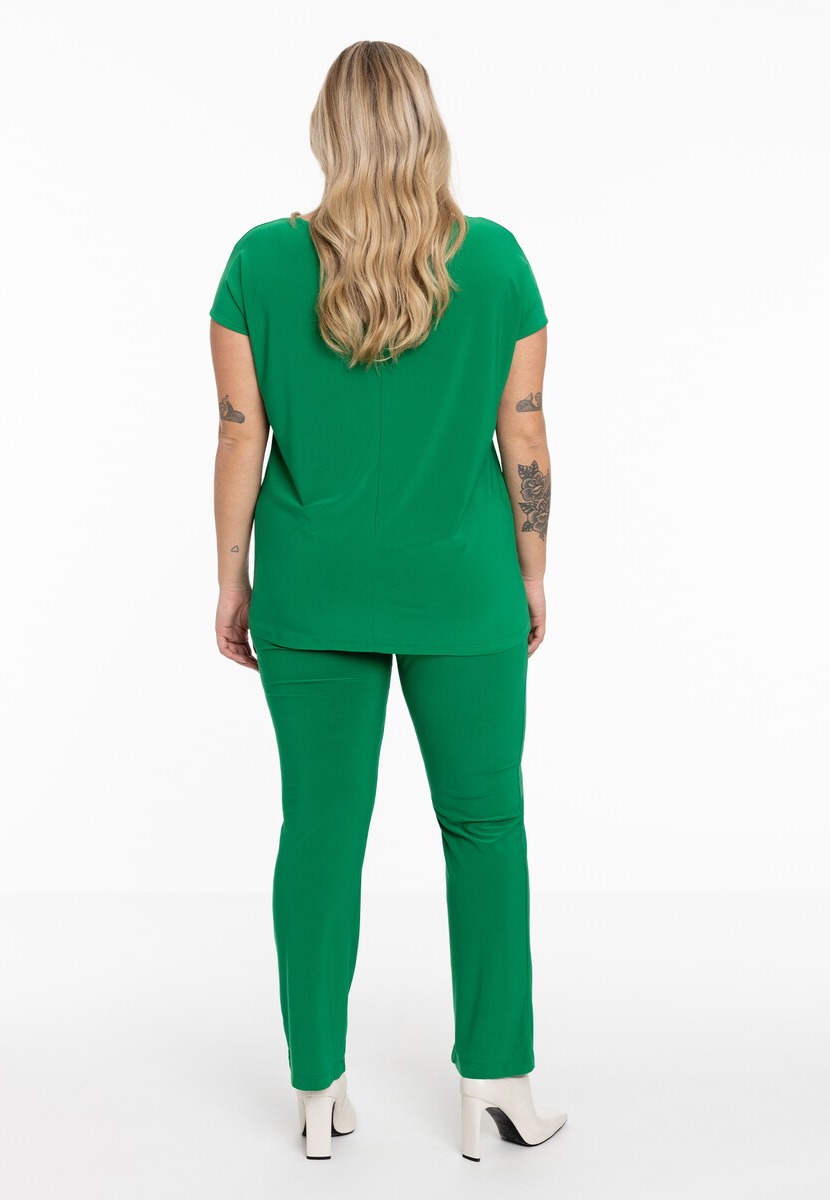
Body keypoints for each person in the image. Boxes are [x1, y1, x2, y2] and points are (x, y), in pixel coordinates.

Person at [208, 40, 566, 1162]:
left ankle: (316, 1086)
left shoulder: (260, 264)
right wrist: (533, 567)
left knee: (320, 829)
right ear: (427, 128)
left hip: (312, 592)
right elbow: (524, 434)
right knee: (485, 826)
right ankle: (497, 1081)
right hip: (463, 588)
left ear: (328, 133)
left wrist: (231, 575)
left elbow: (238, 437)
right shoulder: (495, 262)